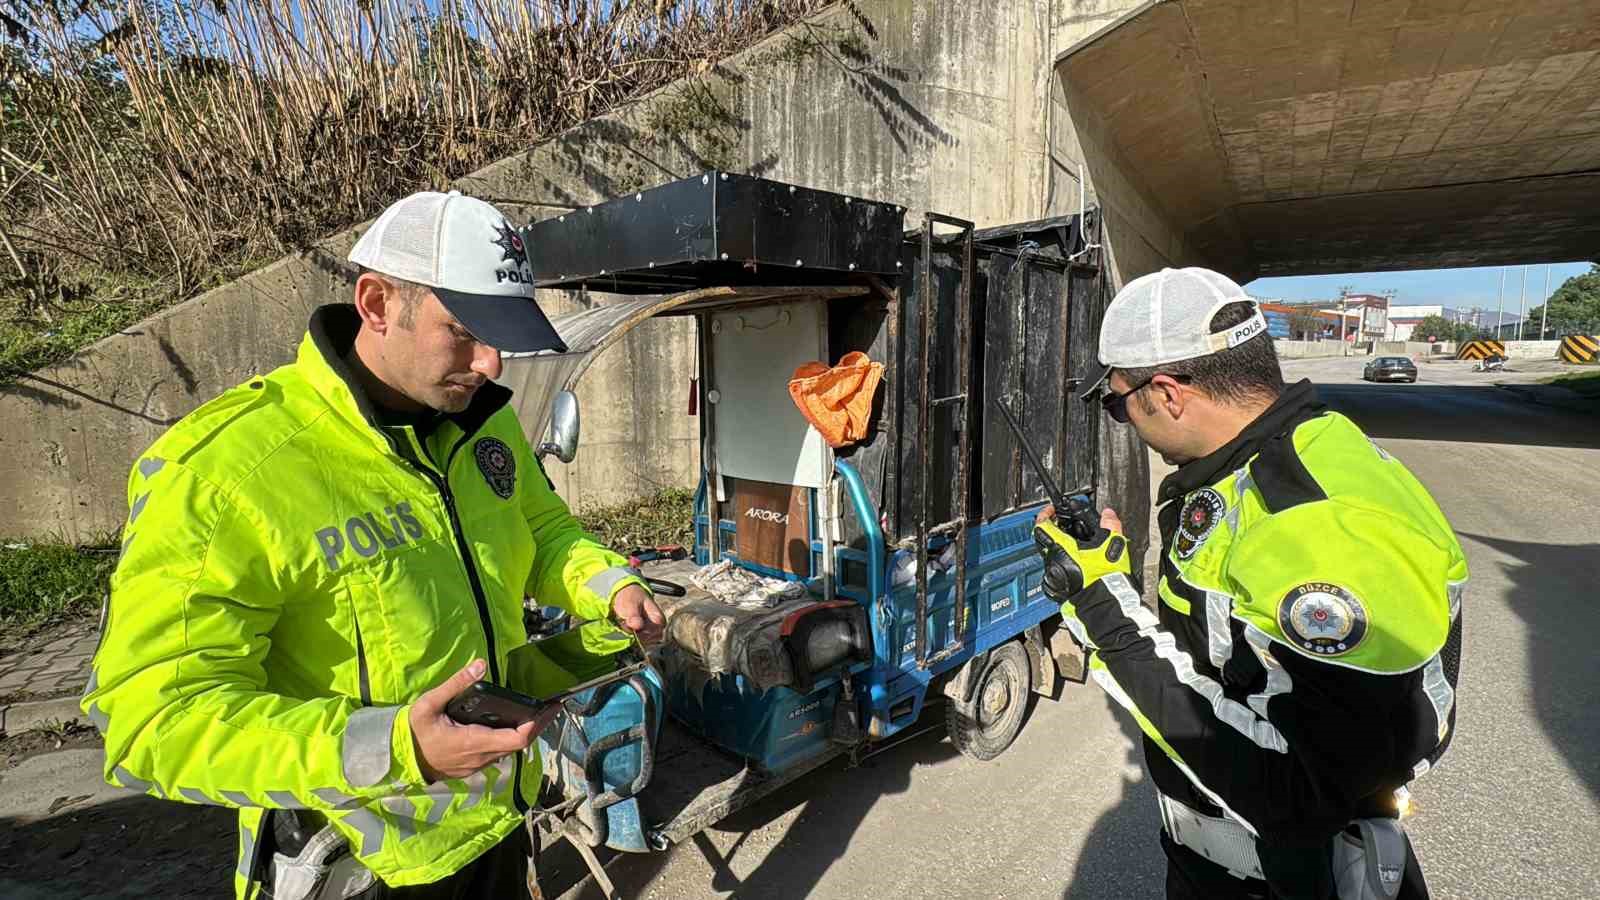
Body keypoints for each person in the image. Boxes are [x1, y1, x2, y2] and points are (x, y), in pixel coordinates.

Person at [81, 190, 665, 899]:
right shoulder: (226, 473)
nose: (491, 365)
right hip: (358, 864)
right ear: (378, 303)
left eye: (502, 335)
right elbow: (154, 722)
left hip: (497, 824)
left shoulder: (480, 422)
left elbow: (540, 532)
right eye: (464, 331)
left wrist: (608, 584)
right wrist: (395, 749)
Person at [1033, 267, 1466, 899]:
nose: (1121, 420)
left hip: (1287, 881)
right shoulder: (1286, 452)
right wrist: (1112, 576)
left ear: (1168, 394)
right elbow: (1226, 659)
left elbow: (1299, 792)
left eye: (1116, 403)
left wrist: (1100, 607)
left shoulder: (1315, 525)